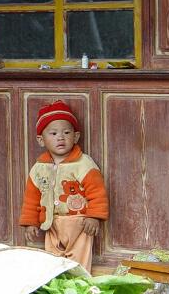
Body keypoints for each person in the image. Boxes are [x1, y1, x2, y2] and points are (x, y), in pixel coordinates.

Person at [19, 101, 109, 272]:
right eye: (53, 133)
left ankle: (80, 287)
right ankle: (57, 287)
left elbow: (97, 192)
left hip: (80, 224)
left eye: (66, 132)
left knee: (79, 261)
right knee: (52, 260)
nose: (60, 137)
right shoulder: (39, 168)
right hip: (50, 223)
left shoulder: (83, 163)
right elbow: (31, 198)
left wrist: (94, 216)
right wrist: (30, 222)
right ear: (41, 140)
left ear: (75, 137)